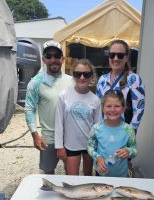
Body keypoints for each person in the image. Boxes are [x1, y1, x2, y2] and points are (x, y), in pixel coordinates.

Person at [24, 40, 75, 174]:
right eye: (49, 56)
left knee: (71, 174)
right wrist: (35, 135)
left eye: (57, 56)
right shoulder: (35, 83)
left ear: (62, 59)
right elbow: (29, 108)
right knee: (48, 175)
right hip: (49, 138)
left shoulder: (72, 81)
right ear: (43, 59)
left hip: (70, 137)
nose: (53, 59)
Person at [55, 59, 101, 175]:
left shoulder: (95, 100)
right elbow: (59, 122)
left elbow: (98, 126)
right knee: (72, 178)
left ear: (91, 77)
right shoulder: (64, 95)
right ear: (73, 76)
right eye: (77, 74)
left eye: (86, 74)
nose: (82, 77)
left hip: (89, 145)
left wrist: (98, 147)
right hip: (71, 144)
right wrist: (59, 146)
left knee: (88, 176)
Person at [96, 39, 145, 131]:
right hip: (104, 132)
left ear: (126, 58)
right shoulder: (102, 80)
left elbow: (139, 110)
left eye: (120, 55)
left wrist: (129, 134)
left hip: (123, 134)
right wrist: (98, 130)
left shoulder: (133, 79)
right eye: (112, 55)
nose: (115, 58)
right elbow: (99, 109)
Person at [87, 90, 137, 177]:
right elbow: (90, 147)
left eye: (117, 106)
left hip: (122, 176)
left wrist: (128, 151)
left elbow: (134, 150)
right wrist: (98, 158)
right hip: (101, 175)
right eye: (108, 106)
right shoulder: (96, 128)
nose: (112, 110)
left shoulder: (128, 129)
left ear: (123, 108)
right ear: (102, 108)